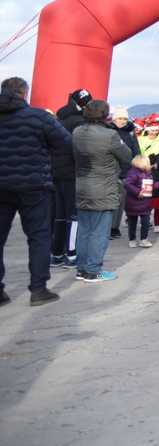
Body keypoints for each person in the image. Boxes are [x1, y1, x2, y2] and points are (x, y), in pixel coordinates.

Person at [0, 76, 72, 305]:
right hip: (35, 185)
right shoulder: (39, 117)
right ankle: (38, 289)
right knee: (39, 236)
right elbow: (66, 142)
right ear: (24, 93)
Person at [72, 98, 132, 284]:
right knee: (99, 232)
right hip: (104, 187)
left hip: (82, 185)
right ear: (105, 115)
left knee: (84, 230)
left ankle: (82, 268)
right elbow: (127, 155)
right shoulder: (110, 135)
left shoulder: (77, 131)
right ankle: (93, 270)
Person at [50, 88, 90, 269]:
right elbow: (81, 151)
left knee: (59, 214)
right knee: (73, 215)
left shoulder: (59, 119)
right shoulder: (80, 123)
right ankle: (71, 253)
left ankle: (56, 253)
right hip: (73, 172)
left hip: (55, 171)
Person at [109, 106, 138, 239]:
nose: (122, 121)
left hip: (126, 171)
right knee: (111, 201)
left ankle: (114, 227)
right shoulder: (109, 131)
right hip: (111, 170)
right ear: (114, 119)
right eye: (120, 118)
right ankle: (108, 227)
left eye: (125, 118)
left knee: (121, 202)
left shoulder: (131, 133)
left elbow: (136, 151)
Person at [122, 154, 156, 248]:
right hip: (133, 203)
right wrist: (138, 192)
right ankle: (132, 239)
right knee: (132, 223)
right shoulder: (133, 172)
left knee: (145, 222)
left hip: (145, 203)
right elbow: (127, 184)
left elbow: (151, 186)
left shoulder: (148, 174)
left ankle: (143, 239)